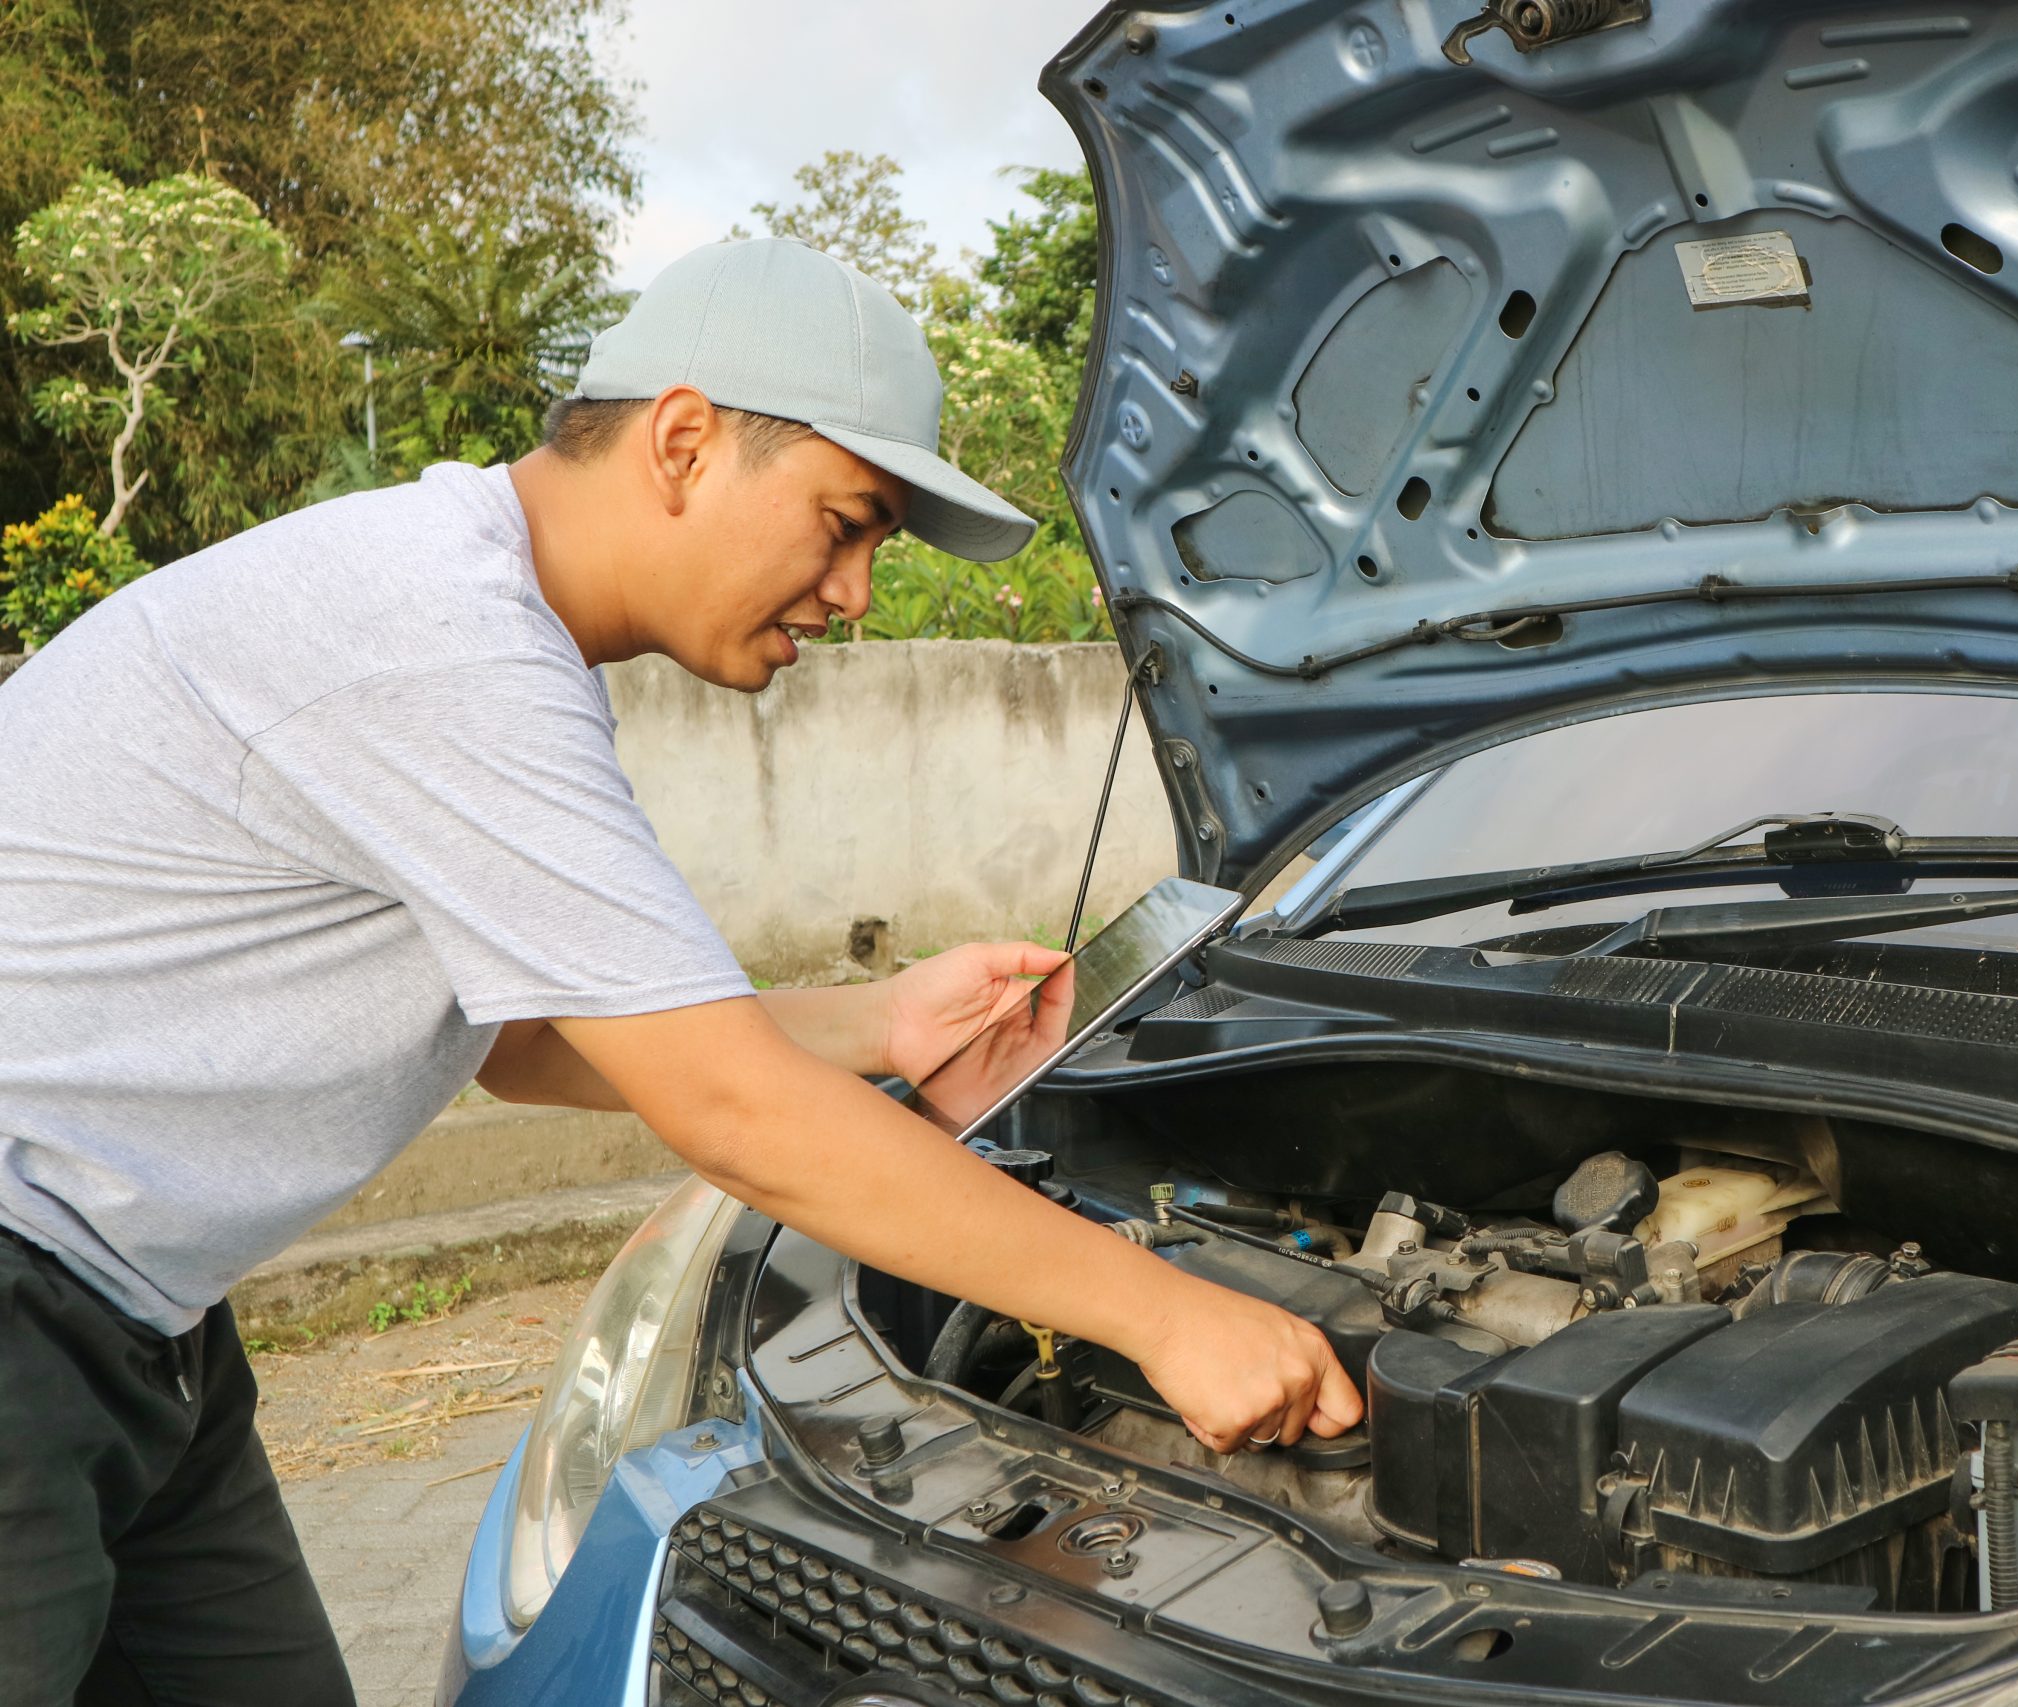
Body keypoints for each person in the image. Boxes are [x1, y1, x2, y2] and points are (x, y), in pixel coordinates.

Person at [0, 238, 1363, 1702]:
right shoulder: (439, 644)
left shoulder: (473, 618)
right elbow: (732, 1114)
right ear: (684, 441)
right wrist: (1171, 1316)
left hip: (141, 1331)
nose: (855, 594)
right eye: (845, 524)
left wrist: (885, 1021)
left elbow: (520, 1041)